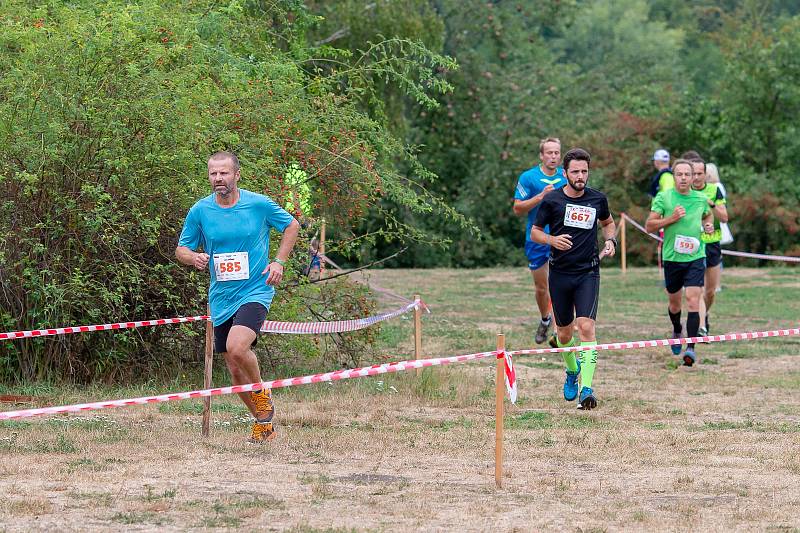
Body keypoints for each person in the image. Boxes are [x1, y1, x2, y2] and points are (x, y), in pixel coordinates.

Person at [176, 151, 300, 442]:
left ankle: (261, 395)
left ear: (236, 175)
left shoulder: (258, 204)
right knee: (233, 371)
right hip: (221, 296)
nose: (218, 179)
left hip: (256, 289)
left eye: (224, 173)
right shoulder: (200, 211)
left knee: (237, 347)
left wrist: (279, 262)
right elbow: (181, 249)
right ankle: (263, 423)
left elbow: (291, 225)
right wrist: (192, 257)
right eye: (213, 174)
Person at [530, 148, 616, 410]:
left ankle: (587, 389)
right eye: (575, 171)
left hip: (588, 272)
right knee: (564, 335)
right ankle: (571, 371)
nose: (581, 176)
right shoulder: (553, 201)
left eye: (584, 171)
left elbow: (608, 223)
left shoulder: (597, 199)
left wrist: (611, 240)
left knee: (587, 327)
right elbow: (535, 232)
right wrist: (551, 239)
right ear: (565, 173)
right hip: (560, 274)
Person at [645, 159, 714, 366]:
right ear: (673, 177)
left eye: (687, 174)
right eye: (679, 174)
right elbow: (649, 225)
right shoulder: (664, 197)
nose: (683, 178)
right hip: (672, 258)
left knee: (693, 299)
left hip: (695, 256)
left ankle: (691, 348)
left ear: (694, 177)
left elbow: (708, 215)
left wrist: (708, 225)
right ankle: (677, 329)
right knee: (675, 303)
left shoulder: (701, 198)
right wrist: (671, 218)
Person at [513, 137, 566, 344]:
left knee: (560, 285)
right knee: (542, 288)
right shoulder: (528, 177)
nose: (553, 157)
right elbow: (517, 208)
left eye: (556, 153)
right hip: (536, 237)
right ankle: (545, 319)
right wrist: (540, 197)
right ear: (541, 155)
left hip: (561, 237)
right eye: (549, 153)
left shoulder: (566, 176)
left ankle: (558, 332)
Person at [691, 159, 728, 336]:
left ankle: (704, 314)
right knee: (696, 289)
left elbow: (724, 218)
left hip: (712, 243)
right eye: (694, 173)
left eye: (700, 173)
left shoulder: (715, 190)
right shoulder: (684, 191)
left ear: (705, 174)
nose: (696, 177)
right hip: (693, 245)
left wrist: (711, 203)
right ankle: (702, 324)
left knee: (710, 291)